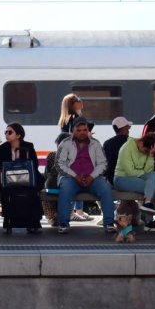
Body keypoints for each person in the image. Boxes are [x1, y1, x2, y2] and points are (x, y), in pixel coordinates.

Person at [54, 118, 116, 235]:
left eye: (84, 130)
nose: (82, 132)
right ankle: (63, 223)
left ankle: (109, 223)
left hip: (92, 178)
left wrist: (92, 176)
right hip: (71, 178)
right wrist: (75, 176)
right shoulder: (65, 143)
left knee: (105, 187)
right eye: (79, 130)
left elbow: (103, 163)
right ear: (73, 131)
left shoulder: (95, 143)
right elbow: (59, 164)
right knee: (65, 188)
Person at [0, 122, 42, 234]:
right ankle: (8, 221)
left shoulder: (28, 146)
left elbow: (35, 164)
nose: (6, 134)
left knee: (32, 191)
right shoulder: (2, 148)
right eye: (5, 132)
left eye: (10, 132)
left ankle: (33, 222)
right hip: (9, 179)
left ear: (18, 135)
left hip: (27, 178)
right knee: (6, 192)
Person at [56, 94, 92, 222]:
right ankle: (75, 211)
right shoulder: (74, 118)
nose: (80, 101)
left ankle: (78, 210)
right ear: (72, 104)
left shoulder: (67, 118)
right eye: (77, 100)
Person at [114, 133, 155, 215]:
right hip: (121, 179)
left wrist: (151, 155)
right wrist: (145, 176)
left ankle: (147, 203)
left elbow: (148, 171)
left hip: (138, 176)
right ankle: (147, 213)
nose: (146, 153)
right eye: (146, 151)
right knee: (150, 186)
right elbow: (130, 172)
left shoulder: (147, 150)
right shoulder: (126, 148)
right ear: (141, 143)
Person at [102, 116, 132, 185]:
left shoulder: (107, 143)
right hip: (125, 178)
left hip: (110, 179)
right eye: (127, 127)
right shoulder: (130, 142)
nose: (129, 130)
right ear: (123, 128)